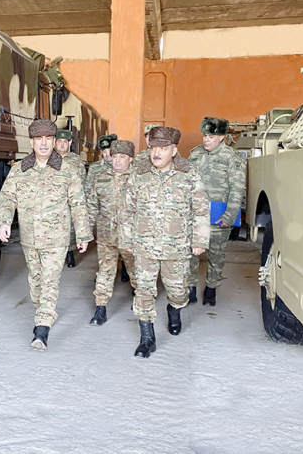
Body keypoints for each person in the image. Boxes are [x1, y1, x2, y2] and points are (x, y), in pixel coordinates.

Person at [0, 120, 93, 351]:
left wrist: (82, 233)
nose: (43, 143)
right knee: (36, 280)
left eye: (48, 139)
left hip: (56, 238)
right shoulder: (19, 170)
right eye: (39, 139)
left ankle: (42, 327)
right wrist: (3, 222)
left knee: (50, 281)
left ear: (53, 142)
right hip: (30, 238)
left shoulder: (67, 170)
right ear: (31, 142)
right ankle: (42, 310)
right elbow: (7, 197)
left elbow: (78, 203)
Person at [120, 127, 209, 358]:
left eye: (163, 148)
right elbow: (127, 209)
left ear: (174, 150)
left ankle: (174, 308)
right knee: (144, 291)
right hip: (144, 245)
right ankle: (147, 339)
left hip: (176, 247)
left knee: (178, 291)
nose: (156, 153)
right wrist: (126, 239)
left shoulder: (189, 173)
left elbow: (200, 208)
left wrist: (199, 239)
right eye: (153, 148)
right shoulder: (138, 173)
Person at [187, 117, 246, 306]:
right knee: (191, 254)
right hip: (195, 216)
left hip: (219, 217)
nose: (206, 140)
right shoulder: (195, 154)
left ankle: (211, 289)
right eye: (204, 135)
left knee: (216, 255)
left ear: (221, 137)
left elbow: (237, 189)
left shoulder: (232, 158)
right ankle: (191, 288)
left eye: (211, 136)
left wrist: (229, 216)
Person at [86, 140, 137, 326]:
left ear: (130, 159)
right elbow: (92, 205)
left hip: (131, 237)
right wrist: (86, 231)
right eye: (115, 156)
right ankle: (100, 308)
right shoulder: (101, 177)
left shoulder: (139, 179)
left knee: (136, 271)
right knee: (105, 271)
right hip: (106, 235)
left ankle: (141, 300)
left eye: (122, 157)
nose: (117, 161)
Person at [55, 129, 87, 268]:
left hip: (70, 197)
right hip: (54, 199)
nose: (62, 144)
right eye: (59, 141)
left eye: (65, 142)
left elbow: (82, 178)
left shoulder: (76, 160)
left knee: (70, 227)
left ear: (69, 143)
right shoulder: (48, 158)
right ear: (55, 143)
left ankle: (70, 253)